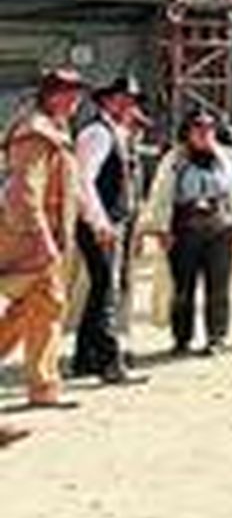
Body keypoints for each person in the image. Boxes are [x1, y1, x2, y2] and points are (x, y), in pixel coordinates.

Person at [0, 68, 86, 409]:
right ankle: (44, 386)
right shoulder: (36, 134)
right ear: (51, 95)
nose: (75, 98)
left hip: (42, 236)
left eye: (77, 91)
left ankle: (44, 388)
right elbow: (24, 193)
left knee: (38, 308)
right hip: (29, 238)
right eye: (68, 92)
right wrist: (41, 241)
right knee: (41, 307)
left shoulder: (55, 130)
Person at [139, 110, 232, 357]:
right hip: (185, 229)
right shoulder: (174, 159)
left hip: (220, 228)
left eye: (209, 128)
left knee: (218, 287)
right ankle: (182, 338)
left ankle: (216, 337)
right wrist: (161, 228)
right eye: (198, 128)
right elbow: (161, 194)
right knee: (183, 288)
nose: (204, 133)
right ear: (188, 132)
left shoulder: (228, 158)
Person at [71, 75, 146, 385]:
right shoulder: (97, 134)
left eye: (131, 100)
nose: (128, 105)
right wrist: (100, 222)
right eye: (122, 99)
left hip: (113, 220)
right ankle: (109, 361)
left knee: (102, 288)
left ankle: (85, 358)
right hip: (103, 222)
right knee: (108, 292)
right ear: (106, 101)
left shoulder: (117, 132)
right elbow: (83, 181)